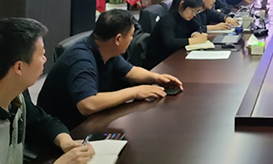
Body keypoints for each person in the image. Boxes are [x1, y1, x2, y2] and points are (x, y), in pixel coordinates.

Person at [38, 10, 183, 130]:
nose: (132, 40)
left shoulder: (106, 50)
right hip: (64, 132)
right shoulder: (81, 59)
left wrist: (157, 78)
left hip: (89, 122)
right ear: (118, 39)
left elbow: (131, 72)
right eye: (131, 35)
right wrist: (135, 92)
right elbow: (88, 104)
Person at [0, 18, 95, 164]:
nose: (45, 59)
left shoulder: (17, 96)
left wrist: (66, 141)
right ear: (19, 67)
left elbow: (39, 121)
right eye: (41, 55)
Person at [143, 0, 209, 69]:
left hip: (174, 58)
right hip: (159, 64)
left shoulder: (186, 17)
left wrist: (195, 34)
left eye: (196, 11)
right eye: (192, 11)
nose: (194, 14)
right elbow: (169, 42)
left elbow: (199, 27)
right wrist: (193, 40)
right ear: (182, 4)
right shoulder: (168, 19)